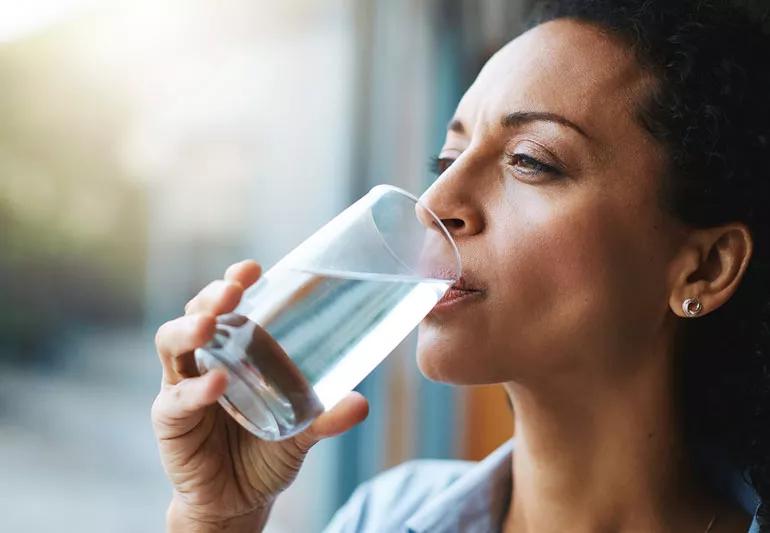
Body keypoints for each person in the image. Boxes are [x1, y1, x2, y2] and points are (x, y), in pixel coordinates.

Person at [151, 0, 770, 531]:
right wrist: (215, 520)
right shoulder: (385, 515)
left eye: (531, 161)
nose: (434, 205)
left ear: (705, 269)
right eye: (446, 160)